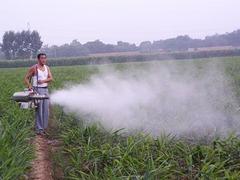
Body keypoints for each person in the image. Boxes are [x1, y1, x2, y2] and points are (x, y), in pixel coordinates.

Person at [24, 53, 53, 135]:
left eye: (45, 58)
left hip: (45, 90)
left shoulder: (47, 68)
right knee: (39, 110)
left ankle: (44, 128)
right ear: (38, 59)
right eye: (42, 58)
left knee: (46, 110)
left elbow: (51, 78)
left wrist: (43, 81)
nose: (43, 60)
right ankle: (39, 129)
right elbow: (26, 78)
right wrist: (30, 86)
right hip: (37, 90)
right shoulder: (34, 68)